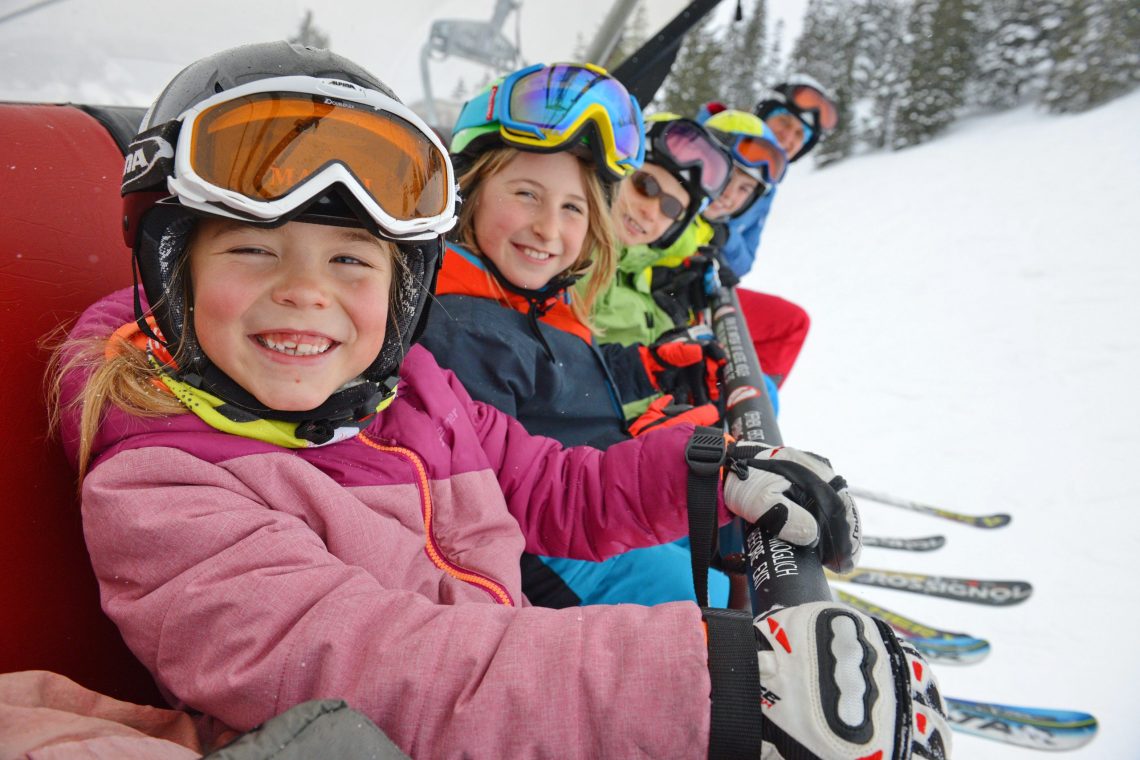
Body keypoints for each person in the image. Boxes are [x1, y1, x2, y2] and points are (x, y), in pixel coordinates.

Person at [50, 42, 948, 759]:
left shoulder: (409, 395)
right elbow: (378, 667)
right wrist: (709, 686)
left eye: (352, 260)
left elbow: (554, 487)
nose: (306, 291)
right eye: (254, 250)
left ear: (402, 291)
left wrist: (710, 475)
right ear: (172, 270)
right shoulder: (164, 486)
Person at [418, 70, 728, 607]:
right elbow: (509, 484)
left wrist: (646, 369)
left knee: (715, 542)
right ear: (469, 194)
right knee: (705, 591)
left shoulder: (525, 297)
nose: (548, 228)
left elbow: (557, 377)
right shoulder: (460, 327)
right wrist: (636, 445)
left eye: (572, 208)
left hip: (589, 500)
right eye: (526, 195)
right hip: (542, 549)